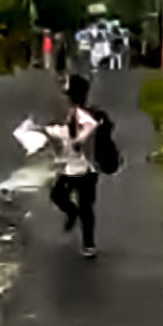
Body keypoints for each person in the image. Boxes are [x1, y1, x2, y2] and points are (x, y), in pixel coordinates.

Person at [47, 73, 100, 257]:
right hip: (72, 168)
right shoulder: (72, 113)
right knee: (58, 195)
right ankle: (73, 213)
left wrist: (78, 139)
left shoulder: (81, 114)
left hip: (85, 169)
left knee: (84, 206)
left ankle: (89, 243)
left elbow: (91, 126)